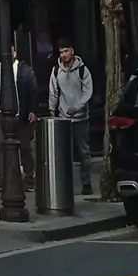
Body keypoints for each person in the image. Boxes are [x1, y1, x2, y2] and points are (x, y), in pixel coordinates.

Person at [47, 40, 94, 197]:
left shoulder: (82, 70)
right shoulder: (56, 71)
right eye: (61, 52)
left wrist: (79, 106)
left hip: (80, 118)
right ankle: (65, 185)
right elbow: (53, 92)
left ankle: (86, 182)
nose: (63, 55)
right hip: (63, 118)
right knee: (64, 153)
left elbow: (88, 91)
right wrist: (52, 111)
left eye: (66, 51)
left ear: (72, 51)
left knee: (83, 153)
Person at [0, 42, 39, 189]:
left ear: (15, 53)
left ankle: (29, 178)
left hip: (20, 114)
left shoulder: (24, 71)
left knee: (24, 147)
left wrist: (33, 110)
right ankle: (0, 179)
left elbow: (32, 91)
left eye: (10, 52)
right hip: (1, 114)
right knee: (0, 146)